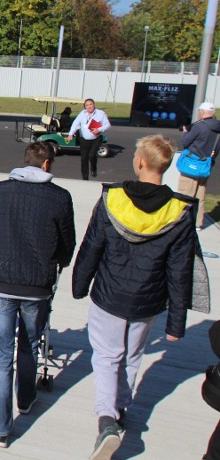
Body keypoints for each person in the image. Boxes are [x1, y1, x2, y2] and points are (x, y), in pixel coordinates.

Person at [72, 134, 204, 460]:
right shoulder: (179, 210)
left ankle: (106, 420)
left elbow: (92, 246)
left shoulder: (113, 198)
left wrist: (79, 284)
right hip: (149, 300)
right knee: (132, 356)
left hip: (109, 296)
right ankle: (120, 410)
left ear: (140, 162)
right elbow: (180, 270)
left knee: (106, 356)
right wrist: (176, 323)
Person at [0, 141, 76, 449]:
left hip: (2, 281)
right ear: (46, 164)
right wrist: (56, 262)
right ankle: (26, 398)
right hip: (37, 285)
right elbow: (67, 245)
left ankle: (0, 428)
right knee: (30, 343)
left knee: (2, 352)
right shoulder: (60, 198)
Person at [179, 101, 220, 228]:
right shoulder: (218, 127)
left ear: (202, 112)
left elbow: (185, 142)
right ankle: (198, 222)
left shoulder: (199, 126)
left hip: (192, 163)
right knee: (200, 195)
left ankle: (182, 221)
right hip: (206, 165)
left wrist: (186, 132)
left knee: (185, 194)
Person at [65, 98, 111, 180]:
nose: (89, 106)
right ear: (85, 107)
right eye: (87, 105)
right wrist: (71, 134)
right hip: (84, 140)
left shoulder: (100, 114)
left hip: (95, 139)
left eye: (90, 104)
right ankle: (85, 177)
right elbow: (76, 123)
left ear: (94, 105)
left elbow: (107, 125)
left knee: (92, 155)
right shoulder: (82, 114)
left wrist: (99, 129)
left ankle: (93, 169)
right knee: (84, 159)